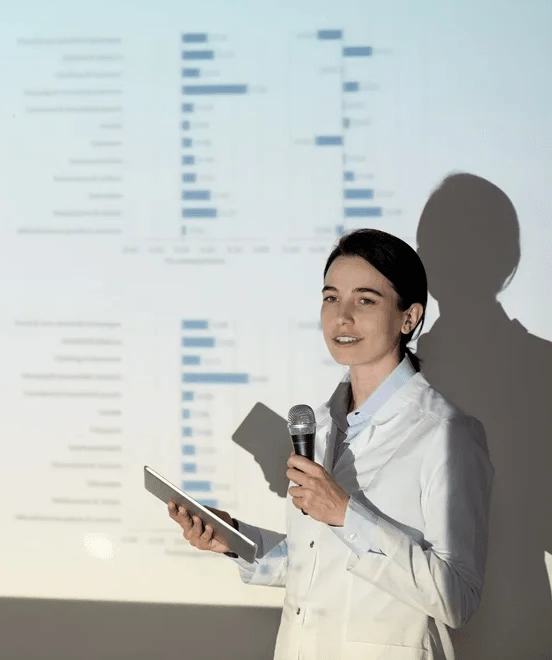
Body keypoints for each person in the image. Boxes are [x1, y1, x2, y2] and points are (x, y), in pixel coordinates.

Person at [168, 228, 494, 660]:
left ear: (409, 318)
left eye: (365, 300)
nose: (341, 317)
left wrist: (345, 514)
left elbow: (457, 598)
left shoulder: (448, 433)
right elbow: (314, 561)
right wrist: (234, 540)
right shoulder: (318, 426)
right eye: (330, 298)